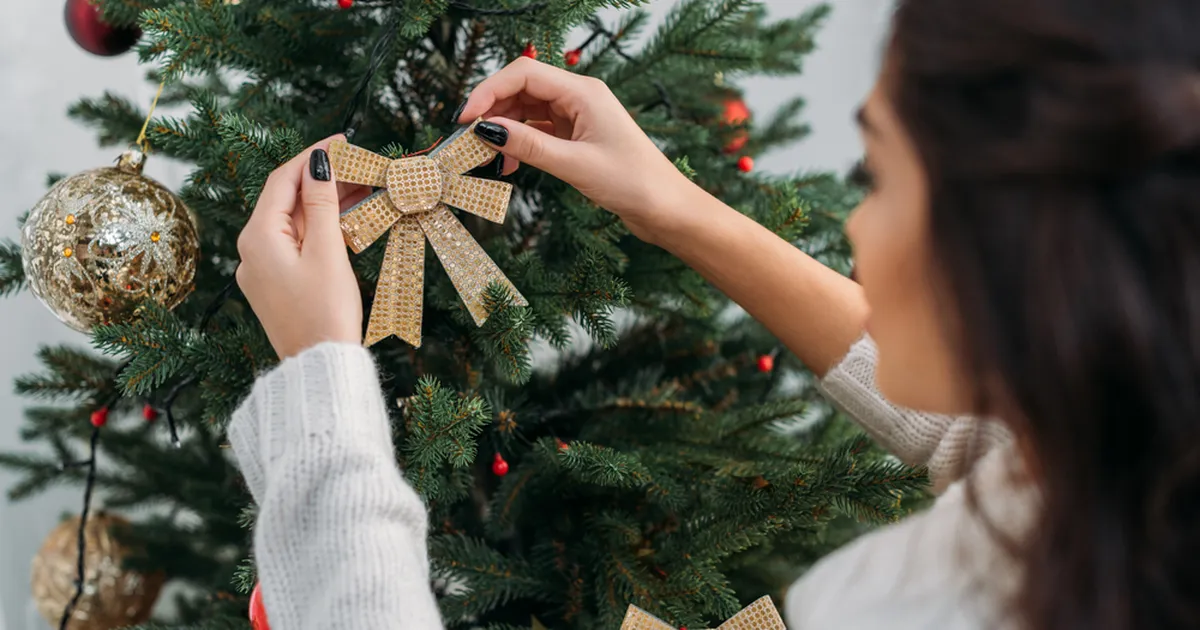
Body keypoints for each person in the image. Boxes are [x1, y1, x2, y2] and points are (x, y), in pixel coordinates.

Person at [228, 0, 1200, 628]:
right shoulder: (1137, 493)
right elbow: (996, 451)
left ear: (1018, 245)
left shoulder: (912, 612)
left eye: (879, 173)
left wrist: (323, 393)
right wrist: (673, 206)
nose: (854, 225)